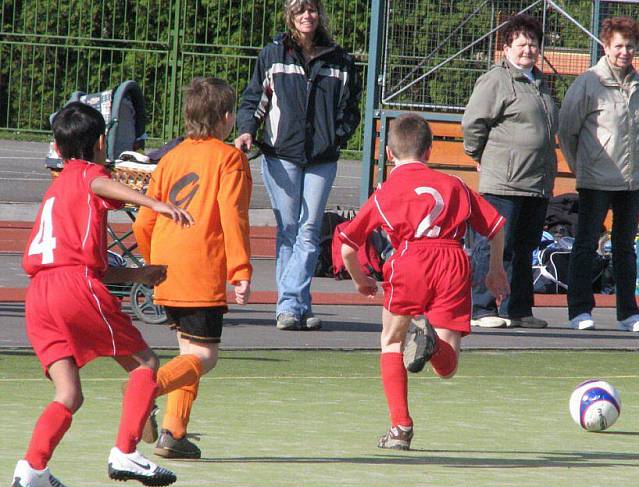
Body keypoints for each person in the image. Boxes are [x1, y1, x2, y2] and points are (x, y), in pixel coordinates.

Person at [12, 102, 193, 487]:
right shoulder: (86, 174)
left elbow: (80, 261)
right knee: (145, 363)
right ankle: (126, 452)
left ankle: (33, 467)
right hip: (72, 289)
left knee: (69, 394)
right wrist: (154, 203)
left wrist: (136, 275)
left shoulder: (56, 190)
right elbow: (97, 182)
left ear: (57, 151)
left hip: (40, 296)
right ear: (99, 142)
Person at [338, 114, 509, 450]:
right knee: (447, 369)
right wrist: (496, 270)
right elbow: (495, 226)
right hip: (453, 262)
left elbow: (347, 247)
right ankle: (430, 345)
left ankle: (400, 429)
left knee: (391, 342)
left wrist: (361, 280)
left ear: (389, 154)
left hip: (411, 259)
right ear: (429, 151)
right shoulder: (454, 185)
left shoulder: (386, 192)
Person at [133, 77, 253, 460]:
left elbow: (142, 222)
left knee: (188, 351)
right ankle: (146, 390)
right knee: (205, 357)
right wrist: (241, 271)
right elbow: (233, 217)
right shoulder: (229, 158)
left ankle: (173, 433)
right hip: (202, 266)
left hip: (167, 266)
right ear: (226, 118)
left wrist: (154, 263)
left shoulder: (169, 158)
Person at [234, 0, 361, 331]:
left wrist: (337, 136)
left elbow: (351, 108)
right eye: (300, 10)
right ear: (290, 15)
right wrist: (247, 130)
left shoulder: (340, 59)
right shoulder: (273, 54)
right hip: (280, 155)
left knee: (308, 229)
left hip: (322, 158)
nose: (307, 16)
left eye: (313, 10)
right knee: (289, 230)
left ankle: (289, 303)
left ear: (320, 14)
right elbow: (254, 100)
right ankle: (297, 306)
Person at [462, 14, 558, 329]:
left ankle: (518, 310)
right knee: (492, 246)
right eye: (520, 43)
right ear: (506, 48)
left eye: (532, 43)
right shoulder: (496, 80)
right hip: (503, 182)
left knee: (525, 247)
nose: (527, 49)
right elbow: (474, 123)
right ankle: (482, 308)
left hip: (536, 184)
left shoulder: (541, 82)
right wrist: (479, 155)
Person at [558, 16, 639, 333]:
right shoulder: (588, 82)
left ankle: (629, 313)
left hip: (633, 181)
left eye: (630, 46)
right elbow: (566, 131)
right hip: (596, 179)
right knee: (586, 244)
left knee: (625, 248)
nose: (624, 52)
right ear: (605, 46)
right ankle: (579, 311)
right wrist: (580, 167)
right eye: (618, 46)